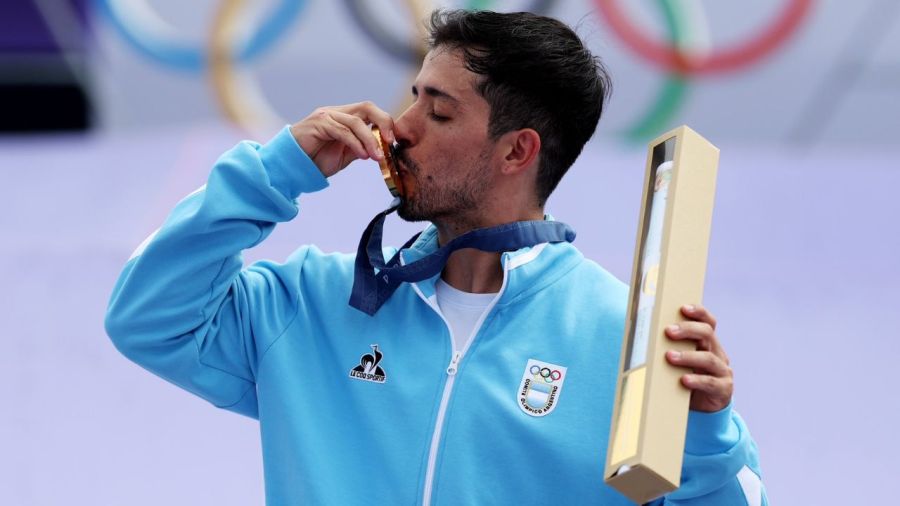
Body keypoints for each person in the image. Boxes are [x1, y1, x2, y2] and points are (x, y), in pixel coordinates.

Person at [105, 10, 766, 505]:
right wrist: (276, 170)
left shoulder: (625, 339)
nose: (400, 128)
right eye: (411, 98)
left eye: (439, 113)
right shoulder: (310, 303)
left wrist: (706, 436)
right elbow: (147, 317)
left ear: (517, 152)